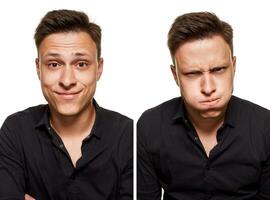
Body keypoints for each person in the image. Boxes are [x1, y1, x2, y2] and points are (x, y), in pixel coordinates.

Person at [0, 9, 133, 200]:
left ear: (99, 68)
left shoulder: (129, 135)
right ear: (39, 68)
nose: (67, 80)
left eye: (81, 64)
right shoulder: (15, 131)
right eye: (54, 64)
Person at [137, 11, 270, 200]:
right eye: (192, 73)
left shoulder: (265, 126)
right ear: (175, 75)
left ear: (234, 66)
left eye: (218, 69)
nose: (208, 88)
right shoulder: (149, 127)